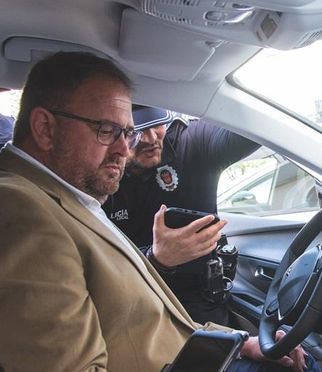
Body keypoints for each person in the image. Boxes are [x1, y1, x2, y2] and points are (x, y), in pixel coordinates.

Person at [0, 51, 322, 372]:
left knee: (306, 367)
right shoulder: (9, 215)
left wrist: (238, 341)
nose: (125, 150)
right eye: (107, 130)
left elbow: (130, 319)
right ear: (44, 127)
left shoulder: (57, 198)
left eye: (127, 133)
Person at [102, 106, 261, 328]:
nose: (150, 138)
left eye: (156, 124)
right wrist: (156, 258)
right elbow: (95, 264)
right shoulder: (101, 175)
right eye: (134, 132)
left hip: (202, 300)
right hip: (136, 305)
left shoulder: (191, 143)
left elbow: (255, 126)